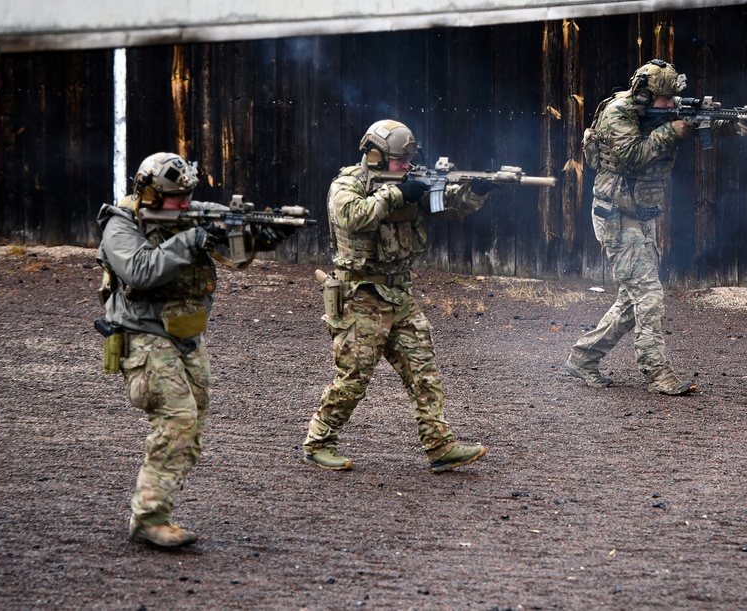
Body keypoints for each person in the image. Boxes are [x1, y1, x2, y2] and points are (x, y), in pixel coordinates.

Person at [97, 152, 290, 548]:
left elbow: (240, 236)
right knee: (177, 419)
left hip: (186, 334)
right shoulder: (121, 224)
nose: (185, 204)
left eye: (188, 196)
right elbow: (140, 270)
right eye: (176, 198)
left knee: (195, 421)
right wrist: (194, 239)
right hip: (142, 334)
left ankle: (156, 507)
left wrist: (267, 230)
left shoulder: (192, 210)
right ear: (149, 194)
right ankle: (150, 518)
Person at [302, 120, 496, 473]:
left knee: (424, 371)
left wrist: (476, 191)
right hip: (359, 294)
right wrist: (398, 193)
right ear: (375, 156)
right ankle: (319, 442)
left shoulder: (408, 183)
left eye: (409, 161)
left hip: (398, 294)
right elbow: (352, 217)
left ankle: (439, 445)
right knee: (355, 376)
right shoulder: (347, 184)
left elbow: (449, 207)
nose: (406, 168)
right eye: (399, 161)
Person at [565, 59, 747, 396]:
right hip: (616, 218)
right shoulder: (618, 113)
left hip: (641, 214)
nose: (672, 105)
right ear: (645, 95)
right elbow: (632, 156)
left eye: (672, 99)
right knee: (649, 295)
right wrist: (671, 131)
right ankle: (656, 373)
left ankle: (582, 358)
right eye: (665, 100)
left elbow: (697, 123)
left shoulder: (662, 104)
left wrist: (734, 122)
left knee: (632, 299)